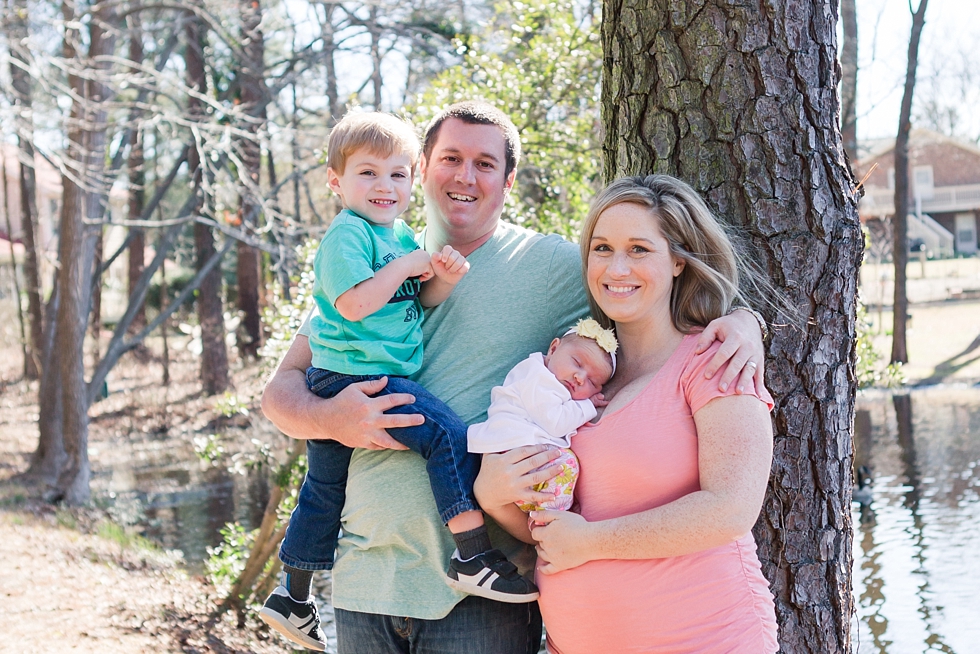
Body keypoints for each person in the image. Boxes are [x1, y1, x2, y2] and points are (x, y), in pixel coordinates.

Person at [261, 103, 768, 654]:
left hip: (486, 591)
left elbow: (636, 287)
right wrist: (329, 416)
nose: (465, 176)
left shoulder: (550, 265)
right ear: (422, 168)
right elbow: (281, 391)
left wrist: (744, 320)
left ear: (508, 180)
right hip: (366, 580)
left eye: (485, 163)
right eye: (451, 158)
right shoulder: (376, 260)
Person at [259, 112, 537, 652]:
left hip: (467, 619)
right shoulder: (352, 236)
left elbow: (412, 299)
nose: (385, 186)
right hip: (356, 379)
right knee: (445, 436)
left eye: (395, 175)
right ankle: (473, 553)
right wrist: (331, 415)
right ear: (336, 182)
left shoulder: (406, 239)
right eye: (369, 174)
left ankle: (293, 596)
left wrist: (440, 278)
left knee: (322, 490)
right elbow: (353, 306)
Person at [475, 174, 779, 653]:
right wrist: (494, 499)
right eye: (602, 248)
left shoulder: (715, 359)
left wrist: (593, 542)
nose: (617, 268)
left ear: (678, 260)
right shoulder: (575, 379)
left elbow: (731, 508)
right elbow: (556, 530)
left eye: (639, 249)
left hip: (703, 640)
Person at [467, 319, 618, 519]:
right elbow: (556, 423)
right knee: (566, 464)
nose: (580, 377)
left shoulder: (544, 378)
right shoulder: (539, 377)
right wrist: (587, 406)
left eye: (592, 381)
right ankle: (553, 518)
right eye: (577, 363)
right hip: (512, 449)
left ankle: (549, 513)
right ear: (554, 349)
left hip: (516, 454)